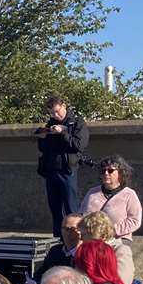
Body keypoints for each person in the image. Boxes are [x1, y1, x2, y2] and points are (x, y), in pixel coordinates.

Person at [81, 154, 142, 283]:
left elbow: (135, 220)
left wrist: (110, 232)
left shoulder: (129, 194)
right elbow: (81, 215)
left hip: (118, 242)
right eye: (103, 171)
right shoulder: (92, 193)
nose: (106, 173)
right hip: (91, 242)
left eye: (110, 170)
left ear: (120, 173)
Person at [35, 95, 89, 238]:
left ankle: (76, 239)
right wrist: (43, 136)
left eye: (58, 111)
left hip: (67, 170)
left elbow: (78, 145)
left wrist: (63, 132)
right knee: (55, 209)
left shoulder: (76, 122)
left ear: (64, 106)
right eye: (52, 113)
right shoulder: (49, 124)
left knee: (71, 208)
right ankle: (58, 239)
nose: (56, 115)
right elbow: (43, 149)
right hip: (51, 170)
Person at [73, 211, 132, 284]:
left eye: (83, 234)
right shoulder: (85, 250)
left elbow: (122, 282)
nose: (81, 238)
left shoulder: (121, 250)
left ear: (94, 232)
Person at [33, 213, 81, 284]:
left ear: (81, 231)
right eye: (65, 229)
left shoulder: (84, 255)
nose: (67, 233)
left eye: (72, 229)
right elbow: (41, 273)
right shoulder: (55, 251)